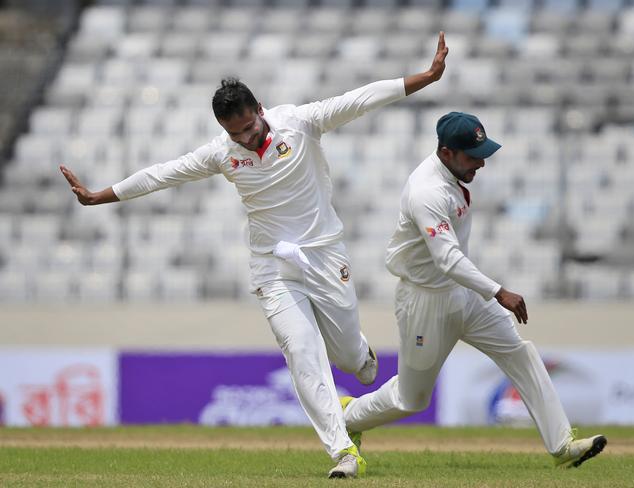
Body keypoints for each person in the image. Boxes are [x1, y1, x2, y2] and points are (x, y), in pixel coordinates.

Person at [60, 33, 450, 478]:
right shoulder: (223, 153)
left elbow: (360, 99)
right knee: (301, 349)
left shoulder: (300, 123)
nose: (245, 139)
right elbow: (161, 174)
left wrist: (428, 76)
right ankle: (343, 451)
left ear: (260, 110)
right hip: (272, 267)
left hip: (324, 254)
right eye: (234, 133)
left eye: (248, 127)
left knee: (350, 362)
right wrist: (98, 196)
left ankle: (359, 358)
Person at [340, 111, 607, 470]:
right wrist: (499, 291)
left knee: (518, 352)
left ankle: (562, 446)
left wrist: (486, 292)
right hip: (426, 301)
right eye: (472, 155)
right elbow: (447, 259)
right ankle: (348, 417)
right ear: (447, 153)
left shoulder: (452, 174)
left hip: (465, 293)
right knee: (411, 399)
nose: (480, 163)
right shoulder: (427, 192)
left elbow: (454, 265)